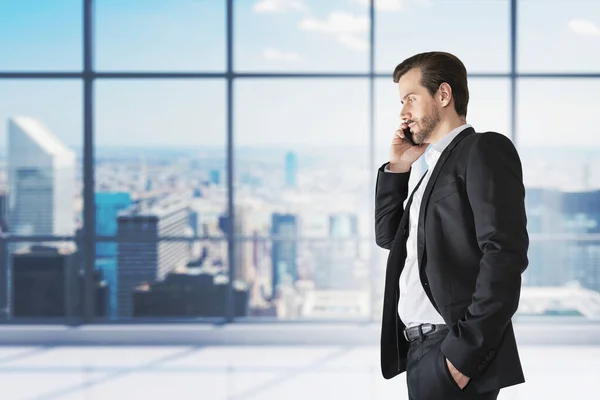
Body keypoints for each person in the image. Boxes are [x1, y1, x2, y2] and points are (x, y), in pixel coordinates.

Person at [374, 51, 529, 400]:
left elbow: (505, 254)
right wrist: (397, 168)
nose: (403, 112)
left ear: (443, 95)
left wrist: (464, 355)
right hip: (421, 348)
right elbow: (389, 238)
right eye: (402, 102)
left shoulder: (483, 149)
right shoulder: (429, 167)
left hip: (452, 348)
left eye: (411, 99)